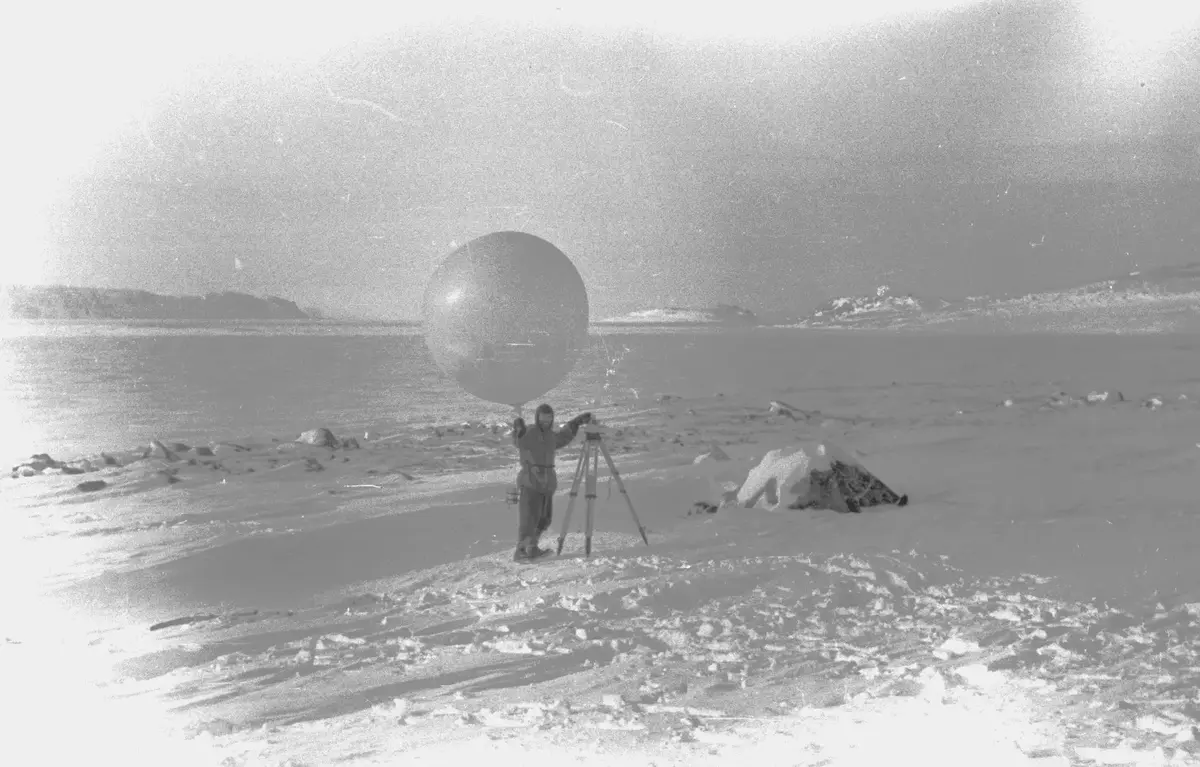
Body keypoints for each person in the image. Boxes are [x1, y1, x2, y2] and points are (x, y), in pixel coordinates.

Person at [510, 404, 593, 561]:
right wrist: (517, 429)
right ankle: (521, 551)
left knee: (544, 518)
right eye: (543, 418)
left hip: (547, 483)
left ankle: (532, 548)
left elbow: (563, 437)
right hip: (530, 481)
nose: (546, 421)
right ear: (537, 417)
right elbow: (519, 441)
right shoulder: (530, 432)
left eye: (549, 418)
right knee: (529, 518)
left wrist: (575, 422)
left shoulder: (550, 436)